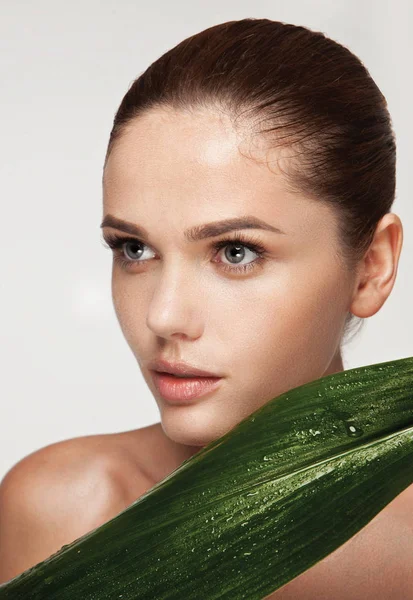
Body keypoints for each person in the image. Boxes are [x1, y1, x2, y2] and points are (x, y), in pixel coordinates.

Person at [0, 17, 407, 598]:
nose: (162, 318)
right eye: (134, 249)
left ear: (371, 266)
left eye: (236, 252)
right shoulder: (62, 509)